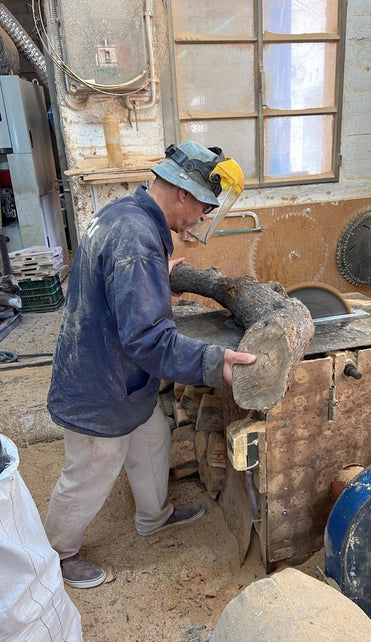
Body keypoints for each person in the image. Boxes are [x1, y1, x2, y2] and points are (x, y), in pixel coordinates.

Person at [45, 140, 256, 589]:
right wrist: (213, 361)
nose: (201, 217)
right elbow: (147, 339)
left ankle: (153, 517)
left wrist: (155, 278)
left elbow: (118, 285)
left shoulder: (124, 214)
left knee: (153, 436)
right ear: (182, 192)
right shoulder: (138, 242)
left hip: (113, 373)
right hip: (98, 388)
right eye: (202, 206)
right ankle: (57, 556)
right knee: (89, 471)